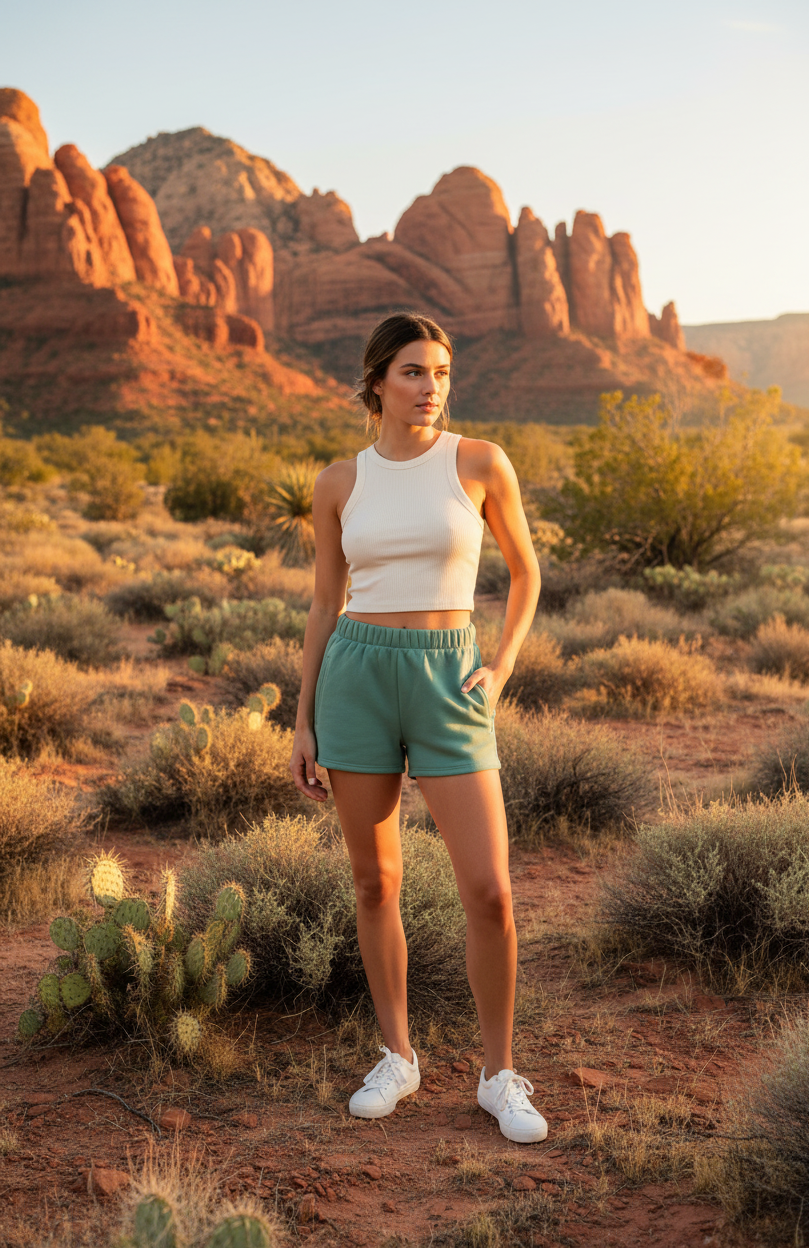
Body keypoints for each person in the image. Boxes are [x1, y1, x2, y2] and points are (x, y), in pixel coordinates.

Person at [290, 311, 545, 1143]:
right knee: (375, 883)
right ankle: (396, 1056)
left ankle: (499, 1074)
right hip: (356, 678)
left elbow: (526, 571)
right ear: (376, 382)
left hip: (449, 677)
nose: (430, 386)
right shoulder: (338, 482)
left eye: (439, 371)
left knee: (491, 892)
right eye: (412, 371)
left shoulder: (478, 462)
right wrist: (302, 718)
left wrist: (500, 664)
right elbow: (326, 602)